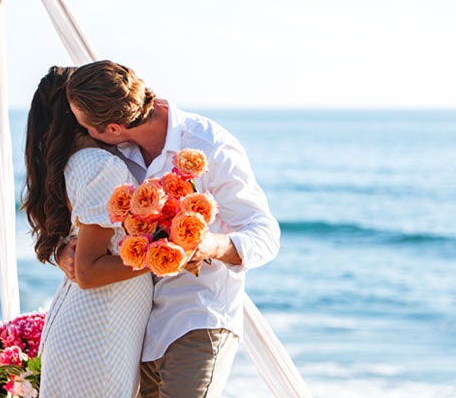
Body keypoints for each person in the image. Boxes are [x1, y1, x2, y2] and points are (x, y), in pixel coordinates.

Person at [62, 60, 281, 398]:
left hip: (198, 315)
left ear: (114, 127)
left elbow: (266, 234)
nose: (85, 134)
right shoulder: (110, 157)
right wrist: (63, 250)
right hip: (138, 326)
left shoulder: (210, 145)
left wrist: (208, 246)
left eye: (86, 126)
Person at [21, 65, 154, 397]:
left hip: (90, 325)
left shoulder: (78, 163)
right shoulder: (99, 166)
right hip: (97, 330)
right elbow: (89, 270)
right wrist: (168, 254)